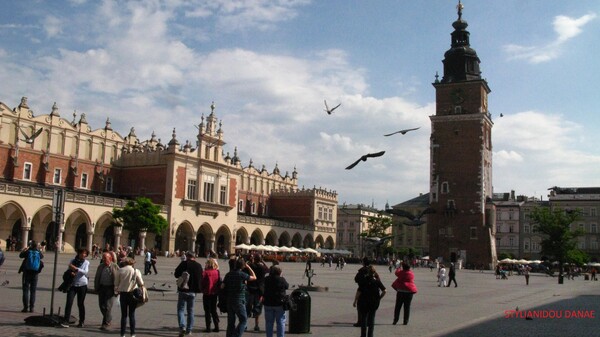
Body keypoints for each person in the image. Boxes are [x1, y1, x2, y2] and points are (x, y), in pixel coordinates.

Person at [222, 257, 257, 337]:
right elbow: (254, 277)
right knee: (243, 320)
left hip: (230, 300)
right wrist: (248, 267)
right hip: (239, 300)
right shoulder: (242, 274)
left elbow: (222, 286)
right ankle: (236, 335)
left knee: (231, 321)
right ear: (242, 266)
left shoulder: (229, 274)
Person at [174, 251, 204, 337]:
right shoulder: (198, 266)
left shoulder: (183, 264)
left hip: (183, 290)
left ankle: (182, 327)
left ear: (187, 256)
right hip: (193, 292)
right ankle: (189, 330)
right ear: (194, 257)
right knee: (190, 311)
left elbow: (176, 274)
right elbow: (201, 278)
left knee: (180, 309)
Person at [353, 264, 386, 337]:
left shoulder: (363, 281)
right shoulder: (377, 281)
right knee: (372, 319)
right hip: (374, 302)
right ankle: (370, 335)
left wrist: (355, 301)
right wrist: (379, 298)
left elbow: (359, 291)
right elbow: (385, 290)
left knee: (364, 318)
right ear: (374, 272)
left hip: (363, 302)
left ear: (367, 272)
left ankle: (363, 335)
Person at [115, 257, 144, 337]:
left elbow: (116, 284)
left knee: (123, 315)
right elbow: (141, 283)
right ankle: (132, 333)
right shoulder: (136, 271)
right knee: (132, 314)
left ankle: (122, 334)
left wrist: (117, 291)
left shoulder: (120, 270)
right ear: (132, 263)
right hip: (133, 294)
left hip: (123, 294)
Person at [61, 248, 90, 328]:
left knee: (80, 304)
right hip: (72, 284)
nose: (83, 255)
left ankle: (82, 321)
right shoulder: (72, 261)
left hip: (82, 284)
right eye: (82, 253)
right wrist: (71, 272)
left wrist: (76, 269)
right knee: (69, 302)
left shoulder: (86, 262)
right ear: (79, 253)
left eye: (85, 254)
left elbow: (85, 272)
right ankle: (66, 321)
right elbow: (68, 270)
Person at [94, 251, 119, 330]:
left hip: (110, 288)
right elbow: (97, 277)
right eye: (103, 259)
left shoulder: (115, 266)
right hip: (102, 287)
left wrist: (118, 288)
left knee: (108, 306)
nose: (104, 260)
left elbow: (119, 277)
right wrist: (96, 286)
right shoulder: (100, 266)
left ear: (110, 258)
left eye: (105, 258)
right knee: (101, 306)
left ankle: (105, 323)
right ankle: (109, 317)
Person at [263, 265, 289, 337]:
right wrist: (281, 277)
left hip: (268, 303)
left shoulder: (267, 279)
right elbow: (287, 286)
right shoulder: (281, 279)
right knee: (280, 322)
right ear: (280, 272)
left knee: (269, 323)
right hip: (279, 303)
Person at [19, 240, 43, 312]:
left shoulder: (28, 251)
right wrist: (38, 250)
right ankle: (32, 308)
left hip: (27, 273)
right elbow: (42, 257)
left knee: (25, 290)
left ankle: (25, 307)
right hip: (35, 273)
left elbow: (20, 256)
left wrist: (25, 250)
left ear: (30, 245)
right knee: (33, 291)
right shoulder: (38, 252)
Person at [246, 254, 267, 332]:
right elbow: (267, 269)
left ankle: (245, 325)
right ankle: (256, 326)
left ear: (254, 259)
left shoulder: (250, 266)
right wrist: (262, 261)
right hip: (259, 291)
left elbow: (245, 267)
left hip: (250, 289)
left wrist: (250, 261)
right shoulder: (262, 268)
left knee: (247, 307)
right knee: (257, 308)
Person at [202, 258, 221, 332]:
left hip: (207, 293)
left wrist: (202, 289)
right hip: (214, 293)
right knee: (214, 310)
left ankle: (208, 328)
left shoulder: (205, 272)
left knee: (207, 311)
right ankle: (217, 326)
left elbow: (202, 282)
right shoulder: (217, 272)